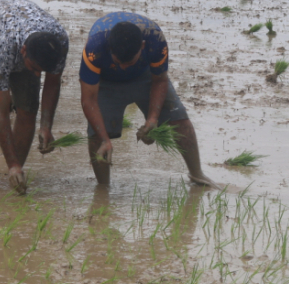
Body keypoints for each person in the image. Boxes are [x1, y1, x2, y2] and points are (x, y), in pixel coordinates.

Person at [79, 12, 213, 187]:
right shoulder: (94, 48)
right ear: (109, 48)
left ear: (142, 46)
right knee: (96, 134)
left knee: (179, 118)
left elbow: (160, 80)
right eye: (119, 61)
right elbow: (88, 100)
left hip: (145, 76)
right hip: (106, 81)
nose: (123, 67)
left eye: (129, 62)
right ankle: (103, 189)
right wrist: (104, 138)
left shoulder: (155, 39)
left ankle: (197, 174)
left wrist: (152, 119)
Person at [0, 0, 67, 194]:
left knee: (28, 110)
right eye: (34, 69)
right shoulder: (2, 46)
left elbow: (52, 84)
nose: (37, 75)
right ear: (24, 51)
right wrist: (12, 163)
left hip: (20, 32)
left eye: (41, 71)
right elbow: (1, 113)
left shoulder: (59, 42)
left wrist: (46, 126)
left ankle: (15, 179)